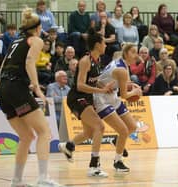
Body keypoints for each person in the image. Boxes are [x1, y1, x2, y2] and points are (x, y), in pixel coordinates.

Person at [0, 7, 64, 187]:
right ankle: (42, 178)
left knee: (26, 136)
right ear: (38, 27)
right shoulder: (36, 40)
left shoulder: (15, 41)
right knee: (44, 131)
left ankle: (16, 181)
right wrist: (36, 88)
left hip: (3, 89)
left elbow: (4, 65)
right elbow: (29, 62)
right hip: (15, 87)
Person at [58, 28, 113, 177]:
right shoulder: (85, 61)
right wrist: (100, 91)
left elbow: (95, 81)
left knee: (89, 132)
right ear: (97, 45)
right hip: (77, 97)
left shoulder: (98, 60)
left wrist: (104, 87)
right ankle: (94, 166)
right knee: (100, 127)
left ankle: (68, 145)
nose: (106, 45)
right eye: (104, 43)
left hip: (86, 97)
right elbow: (80, 85)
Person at [93, 43, 141, 172]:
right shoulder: (121, 69)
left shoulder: (121, 63)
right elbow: (125, 95)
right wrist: (135, 93)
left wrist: (133, 85)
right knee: (124, 130)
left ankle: (117, 140)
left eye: (136, 52)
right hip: (101, 98)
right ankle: (117, 162)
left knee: (132, 127)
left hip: (112, 95)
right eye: (133, 52)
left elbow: (121, 82)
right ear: (126, 54)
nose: (135, 55)